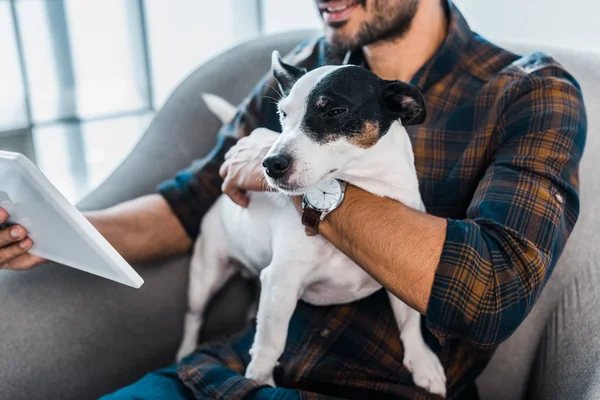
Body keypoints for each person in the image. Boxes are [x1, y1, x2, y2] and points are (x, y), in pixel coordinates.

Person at [0, 0, 586, 398]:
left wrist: (299, 177)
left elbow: (487, 293)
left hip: (385, 386)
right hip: (222, 375)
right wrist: (47, 229)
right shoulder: (299, 73)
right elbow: (193, 205)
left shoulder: (531, 92)